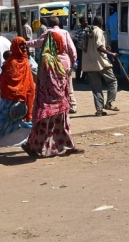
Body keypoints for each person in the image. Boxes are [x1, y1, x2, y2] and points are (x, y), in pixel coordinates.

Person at [24, 29, 84, 157]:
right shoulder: (47, 58)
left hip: (58, 97)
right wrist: (58, 93)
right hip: (50, 99)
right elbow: (48, 79)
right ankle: (32, 146)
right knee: (44, 125)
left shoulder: (55, 57)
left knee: (62, 123)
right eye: (59, 42)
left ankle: (69, 145)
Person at [0, 37, 35, 155]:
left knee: (26, 124)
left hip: (23, 99)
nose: (23, 47)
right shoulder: (11, 62)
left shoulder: (25, 61)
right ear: (15, 47)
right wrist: (16, 91)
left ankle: (26, 143)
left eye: (24, 45)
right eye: (20, 45)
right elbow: (6, 80)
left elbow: (29, 80)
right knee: (0, 123)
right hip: (10, 99)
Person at [27, 16, 78, 114]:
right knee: (68, 85)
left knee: (55, 86)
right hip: (65, 63)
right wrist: (73, 61)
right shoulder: (65, 33)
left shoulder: (48, 33)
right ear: (59, 24)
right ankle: (72, 105)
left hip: (52, 65)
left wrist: (26, 43)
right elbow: (72, 49)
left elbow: (37, 43)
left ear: (50, 24)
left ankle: (58, 105)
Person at [82, 15, 119, 116]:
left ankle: (99, 110)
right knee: (113, 81)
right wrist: (111, 54)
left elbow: (90, 46)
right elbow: (98, 46)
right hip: (100, 62)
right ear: (101, 23)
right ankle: (109, 103)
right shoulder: (98, 30)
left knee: (96, 88)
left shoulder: (87, 31)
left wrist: (105, 48)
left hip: (89, 63)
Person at [71, 16, 88, 82]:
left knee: (86, 64)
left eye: (86, 21)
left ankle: (83, 78)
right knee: (79, 65)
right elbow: (75, 40)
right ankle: (78, 79)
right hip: (80, 49)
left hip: (87, 50)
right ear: (81, 23)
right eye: (84, 22)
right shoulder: (79, 30)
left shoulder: (89, 29)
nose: (86, 22)